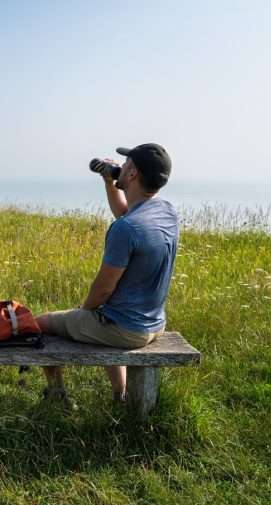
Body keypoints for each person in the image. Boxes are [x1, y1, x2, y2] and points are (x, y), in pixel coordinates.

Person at [35, 143, 179, 405]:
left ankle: (57, 395)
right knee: (107, 314)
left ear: (133, 173)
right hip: (155, 324)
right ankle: (119, 396)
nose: (120, 167)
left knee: (41, 324)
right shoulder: (166, 212)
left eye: (125, 165)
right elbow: (128, 213)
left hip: (126, 330)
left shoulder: (125, 230)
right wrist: (109, 181)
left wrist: (83, 312)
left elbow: (103, 290)